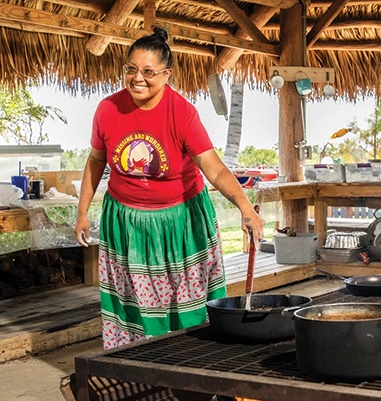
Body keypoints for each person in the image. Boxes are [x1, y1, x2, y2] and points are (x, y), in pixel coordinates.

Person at [74, 27, 266, 350]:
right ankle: (139, 368)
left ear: (166, 74)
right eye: (131, 70)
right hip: (127, 225)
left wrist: (245, 208)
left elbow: (214, 168)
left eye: (148, 72)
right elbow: (95, 161)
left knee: (186, 308)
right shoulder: (108, 110)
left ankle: (191, 366)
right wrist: (82, 213)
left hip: (180, 224)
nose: (138, 78)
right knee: (135, 307)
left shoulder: (182, 113)